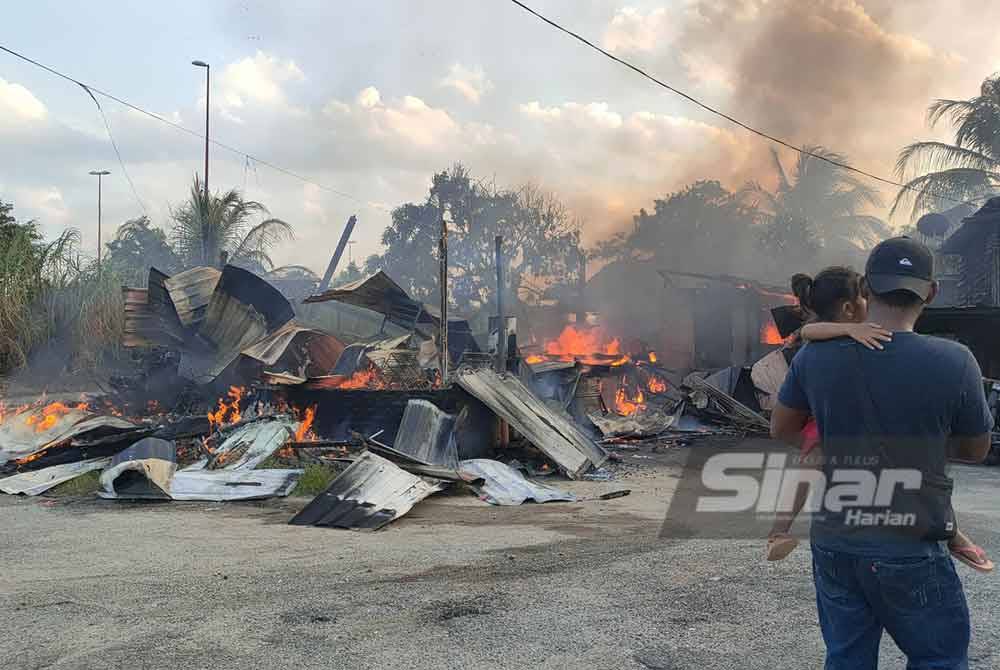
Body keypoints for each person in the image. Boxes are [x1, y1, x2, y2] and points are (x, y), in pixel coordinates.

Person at [771, 237, 994, 669]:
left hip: (836, 539)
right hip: (911, 540)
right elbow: (975, 448)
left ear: (867, 290)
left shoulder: (814, 357)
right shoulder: (956, 360)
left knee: (847, 657)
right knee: (938, 659)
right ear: (931, 293)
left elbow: (782, 429)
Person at [766, 268, 993, 572]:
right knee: (813, 461)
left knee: (920, 470)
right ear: (848, 309)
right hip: (834, 420)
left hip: (850, 416)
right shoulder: (831, 335)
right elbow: (808, 332)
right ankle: (778, 531)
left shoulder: (861, 335)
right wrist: (849, 331)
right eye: (863, 296)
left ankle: (952, 532)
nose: (869, 302)